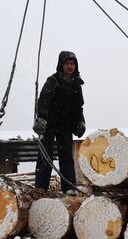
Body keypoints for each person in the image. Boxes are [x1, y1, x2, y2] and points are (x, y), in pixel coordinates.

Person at [33, 51, 86, 193]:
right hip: (49, 122)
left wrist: (80, 122)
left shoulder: (76, 84)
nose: (70, 66)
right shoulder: (53, 81)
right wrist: (42, 118)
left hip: (65, 124)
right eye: (67, 63)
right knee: (46, 154)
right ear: (61, 65)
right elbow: (43, 100)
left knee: (66, 155)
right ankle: (41, 187)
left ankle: (69, 187)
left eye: (72, 63)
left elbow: (78, 107)